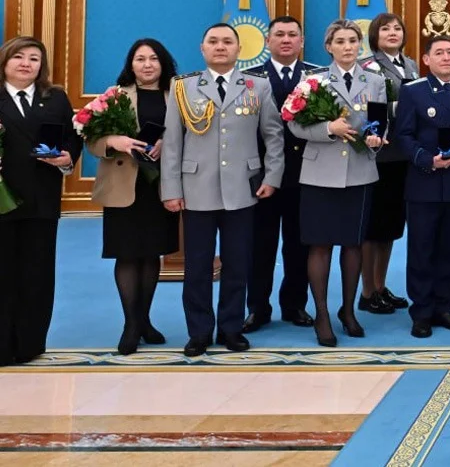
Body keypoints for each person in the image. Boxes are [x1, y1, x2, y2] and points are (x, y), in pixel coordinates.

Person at [161, 23, 285, 357]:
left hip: (243, 189)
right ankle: (199, 331)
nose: (220, 47)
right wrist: (171, 188)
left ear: (239, 49)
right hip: (196, 188)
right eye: (213, 41)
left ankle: (231, 328)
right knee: (197, 267)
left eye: (227, 41)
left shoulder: (257, 86)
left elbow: (273, 135)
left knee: (237, 264)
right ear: (202, 48)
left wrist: (272, 177)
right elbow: (172, 143)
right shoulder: (183, 87)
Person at [286, 20, 387, 347]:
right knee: (320, 245)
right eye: (340, 41)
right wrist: (329, 129)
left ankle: (348, 310)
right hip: (320, 174)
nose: (347, 47)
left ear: (360, 45)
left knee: (353, 244)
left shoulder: (375, 81)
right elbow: (295, 126)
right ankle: (322, 313)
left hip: (359, 172)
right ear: (328, 46)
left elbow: (380, 122)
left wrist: (376, 138)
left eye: (353, 41)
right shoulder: (312, 81)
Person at [88, 38, 180, 355]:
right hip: (123, 185)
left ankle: (144, 320)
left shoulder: (177, 95)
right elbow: (90, 139)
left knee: (152, 253)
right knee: (127, 254)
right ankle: (130, 324)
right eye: (140, 59)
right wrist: (115, 141)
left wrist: (169, 145)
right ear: (131, 64)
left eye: (153, 58)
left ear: (163, 63)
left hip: (160, 187)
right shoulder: (114, 96)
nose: (147, 64)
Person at [0, 37, 81, 366]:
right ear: (5, 61)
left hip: (42, 201)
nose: (26, 63)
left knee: (37, 275)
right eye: (18, 57)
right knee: (3, 274)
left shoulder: (55, 97)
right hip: (2, 200)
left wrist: (67, 158)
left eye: (34, 58)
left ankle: (30, 344)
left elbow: (71, 140)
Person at [395, 35, 450, 338]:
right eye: (439, 53)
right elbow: (403, 135)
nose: (446, 57)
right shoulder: (413, 91)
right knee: (422, 249)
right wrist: (427, 160)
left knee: (449, 249)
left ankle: (444, 306)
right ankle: (421, 312)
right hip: (424, 183)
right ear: (426, 59)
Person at [243, 16, 318, 333]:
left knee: (300, 245)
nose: (286, 40)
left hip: (306, 173)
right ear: (268, 41)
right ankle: (257, 308)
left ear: (302, 41)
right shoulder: (248, 78)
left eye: (292, 34)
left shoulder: (317, 77)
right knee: (260, 245)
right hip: (262, 176)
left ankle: (295, 305)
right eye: (279, 34)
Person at [358, 12, 419, 315]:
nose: (393, 33)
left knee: (392, 226)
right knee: (373, 226)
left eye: (397, 28)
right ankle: (367, 291)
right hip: (378, 155)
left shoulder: (411, 65)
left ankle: (381, 287)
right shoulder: (368, 66)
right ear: (374, 36)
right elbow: (369, 108)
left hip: (402, 156)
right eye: (385, 29)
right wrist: (407, 108)